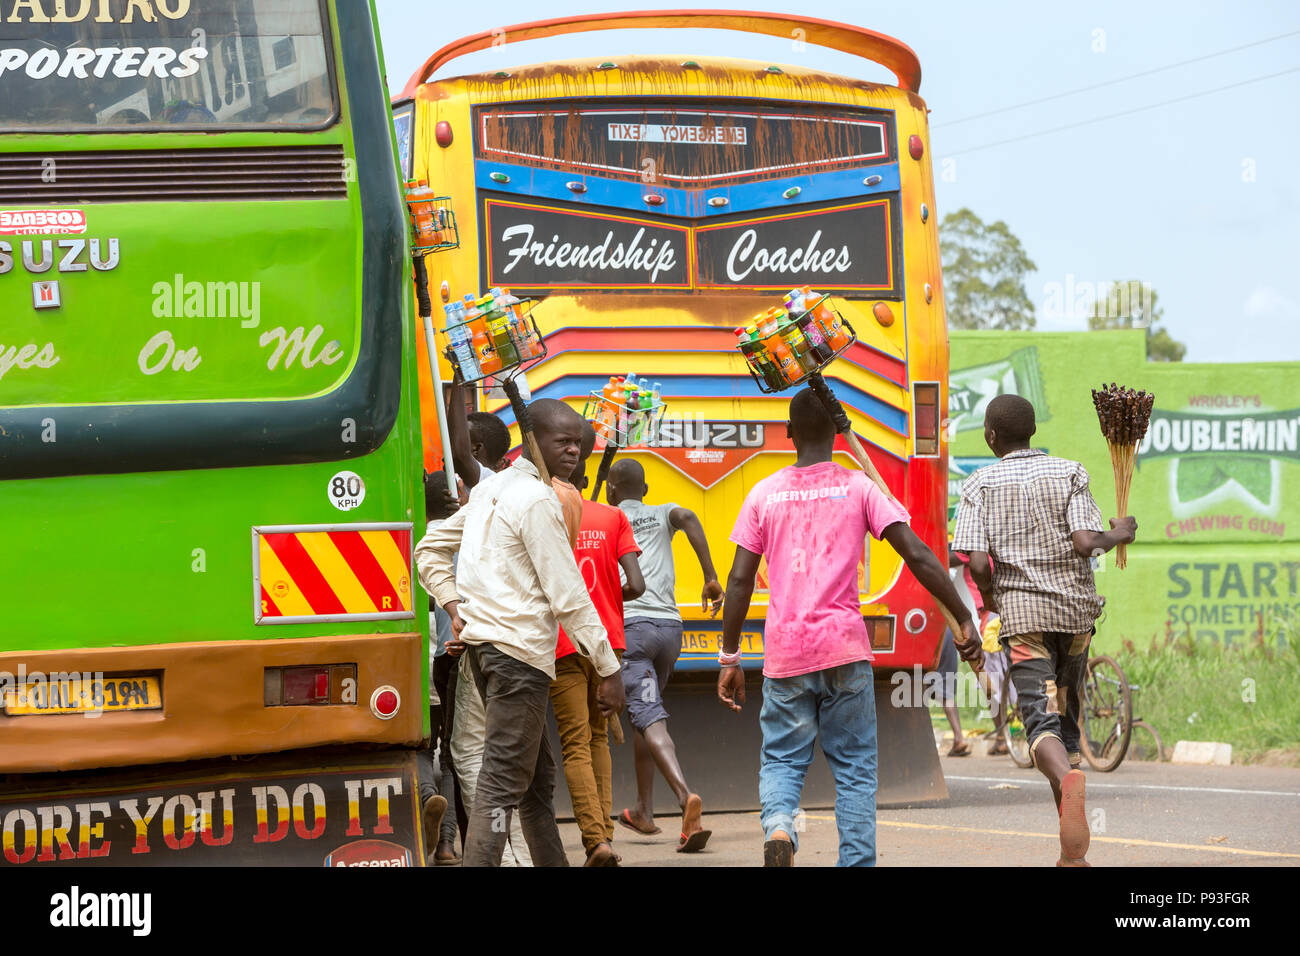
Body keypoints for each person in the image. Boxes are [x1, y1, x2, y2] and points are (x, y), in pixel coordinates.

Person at [717, 387, 980, 867]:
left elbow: (738, 580)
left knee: (782, 759)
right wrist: (964, 619)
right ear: (838, 435)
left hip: (786, 655)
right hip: (845, 651)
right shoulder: (861, 486)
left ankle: (779, 826)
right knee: (856, 772)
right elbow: (919, 556)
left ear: (789, 433)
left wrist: (729, 657)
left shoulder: (764, 493)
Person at [416, 399, 625, 867]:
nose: (573, 450)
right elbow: (568, 594)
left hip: (485, 655)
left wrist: (456, 608)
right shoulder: (536, 500)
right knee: (503, 783)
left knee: (535, 782)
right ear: (533, 440)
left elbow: (427, 549)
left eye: (578, 443)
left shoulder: (497, 489)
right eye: (562, 441)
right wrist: (608, 669)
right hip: (518, 659)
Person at [952, 393, 1136, 868]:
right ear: (1032, 431)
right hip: (1076, 620)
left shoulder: (978, 484)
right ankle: (1070, 856)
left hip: (1026, 623)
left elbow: (973, 560)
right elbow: (1086, 542)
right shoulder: (1070, 471)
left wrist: (990, 598)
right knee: (1067, 725)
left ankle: (1069, 787)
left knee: (1040, 723)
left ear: (991, 435)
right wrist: (1121, 531)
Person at [606, 458, 723, 851]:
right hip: (670, 631)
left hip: (632, 631)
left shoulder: (607, 516)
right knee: (647, 714)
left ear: (610, 490)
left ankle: (685, 796)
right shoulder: (660, 512)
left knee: (649, 716)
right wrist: (709, 576)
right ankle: (642, 810)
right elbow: (689, 515)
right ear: (646, 489)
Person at [550, 423, 646, 866]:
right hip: (608, 643)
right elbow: (638, 585)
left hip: (564, 641)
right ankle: (604, 833)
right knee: (598, 740)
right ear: (588, 483)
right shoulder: (613, 517)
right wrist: (607, 594)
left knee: (574, 744)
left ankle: (596, 842)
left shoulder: (547, 512)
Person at [416, 470, 468, 865]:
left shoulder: (411, 540)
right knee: (450, 756)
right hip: (451, 660)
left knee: (419, 746)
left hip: (412, 667)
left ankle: (423, 804)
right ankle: (448, 845)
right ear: (456, 501)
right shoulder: (465, 542)